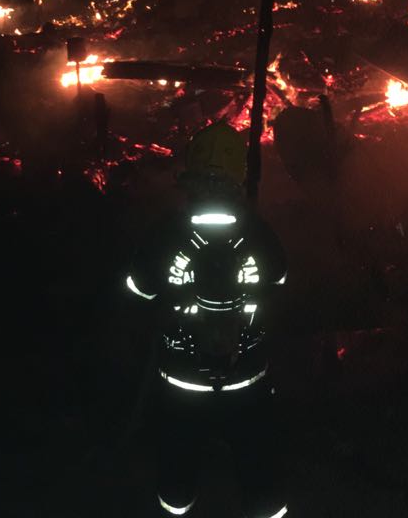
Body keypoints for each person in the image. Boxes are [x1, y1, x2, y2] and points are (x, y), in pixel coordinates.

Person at [125, 122, 288, 518]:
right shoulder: (259, 232)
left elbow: (138, 289)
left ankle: (176, 506)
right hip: (248, 378)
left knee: (178, 465)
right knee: (258, 464)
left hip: (182, 383)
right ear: (240, 178)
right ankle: (267, 509)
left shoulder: (166, 232)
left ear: (189, 175)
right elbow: (279, 280)